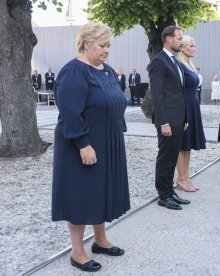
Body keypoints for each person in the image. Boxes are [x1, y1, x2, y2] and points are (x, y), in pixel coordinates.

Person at [52, 22, 130, 272]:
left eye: (108, 45)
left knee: (101, 191)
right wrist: (84, 145)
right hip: (83, 145)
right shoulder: (74, 71)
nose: (107, 50)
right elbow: (70, 112)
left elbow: (115, 101)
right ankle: (77, 252)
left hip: (107, 141)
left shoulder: (105, 70)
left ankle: (100, 240)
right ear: (86, 43)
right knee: (81, 195)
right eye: (102, 45)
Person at [148, 25, 190, 210]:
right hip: (167, 121)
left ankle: (170, 191)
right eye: (179, 38)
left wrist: (185, 118)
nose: (182, 42)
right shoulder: (159, 62)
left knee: (173, 157)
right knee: (165, 158)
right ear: (168, 39)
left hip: (178, 119)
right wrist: (163, 122)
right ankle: (163, 196)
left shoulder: (174, 61)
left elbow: (178, 92)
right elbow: (157, 95)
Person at [175, 35, 206, 192]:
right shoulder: (179, 65)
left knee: (187, 145)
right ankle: (180, 178)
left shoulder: (188, 64)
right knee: (181, 145)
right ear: (183, 47)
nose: (195, 48)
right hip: (185, 107)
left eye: (194, 45)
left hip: (193, 106)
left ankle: (186, 177)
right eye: (191, 46)